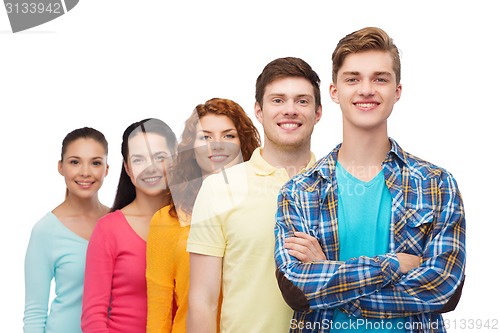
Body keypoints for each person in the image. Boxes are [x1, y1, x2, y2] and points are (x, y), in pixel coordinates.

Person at [274, 27, 466, 333]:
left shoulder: (436, 184)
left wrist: (329, 276)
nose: (366, 89)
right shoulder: (298, 191)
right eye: (353, 79)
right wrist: (394, 265)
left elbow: (444, 288)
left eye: (380, 78)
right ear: (335, 92)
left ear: (397, 91)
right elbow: (298, 290)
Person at [186, 57, 323, 333]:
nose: (290, 110)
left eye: (302, 101)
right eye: (278, 100)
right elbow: (203, 301)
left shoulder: (338, 184)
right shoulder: (218, 188)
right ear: (258, 111)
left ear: (318, 112)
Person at [146, 98, 261, 333]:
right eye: (205, 137)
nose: (217, 145)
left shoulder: (263, 207)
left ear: (243, 144)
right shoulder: (167, 220)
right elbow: (159, 309)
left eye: (229, 135)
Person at [81, 118, 177, 333]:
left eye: (159, 157)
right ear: (127, 168)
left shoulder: (193, 222)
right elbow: (92, 316)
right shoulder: (108, 229)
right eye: (138, 160)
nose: (150, 168)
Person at [23, 127, 109, 333]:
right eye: (74, 162)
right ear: (61, 167)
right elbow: (35, 313)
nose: (85, 172)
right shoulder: (45, 231)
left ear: (106, 169)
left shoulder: (119, 222)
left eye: (95, 162)